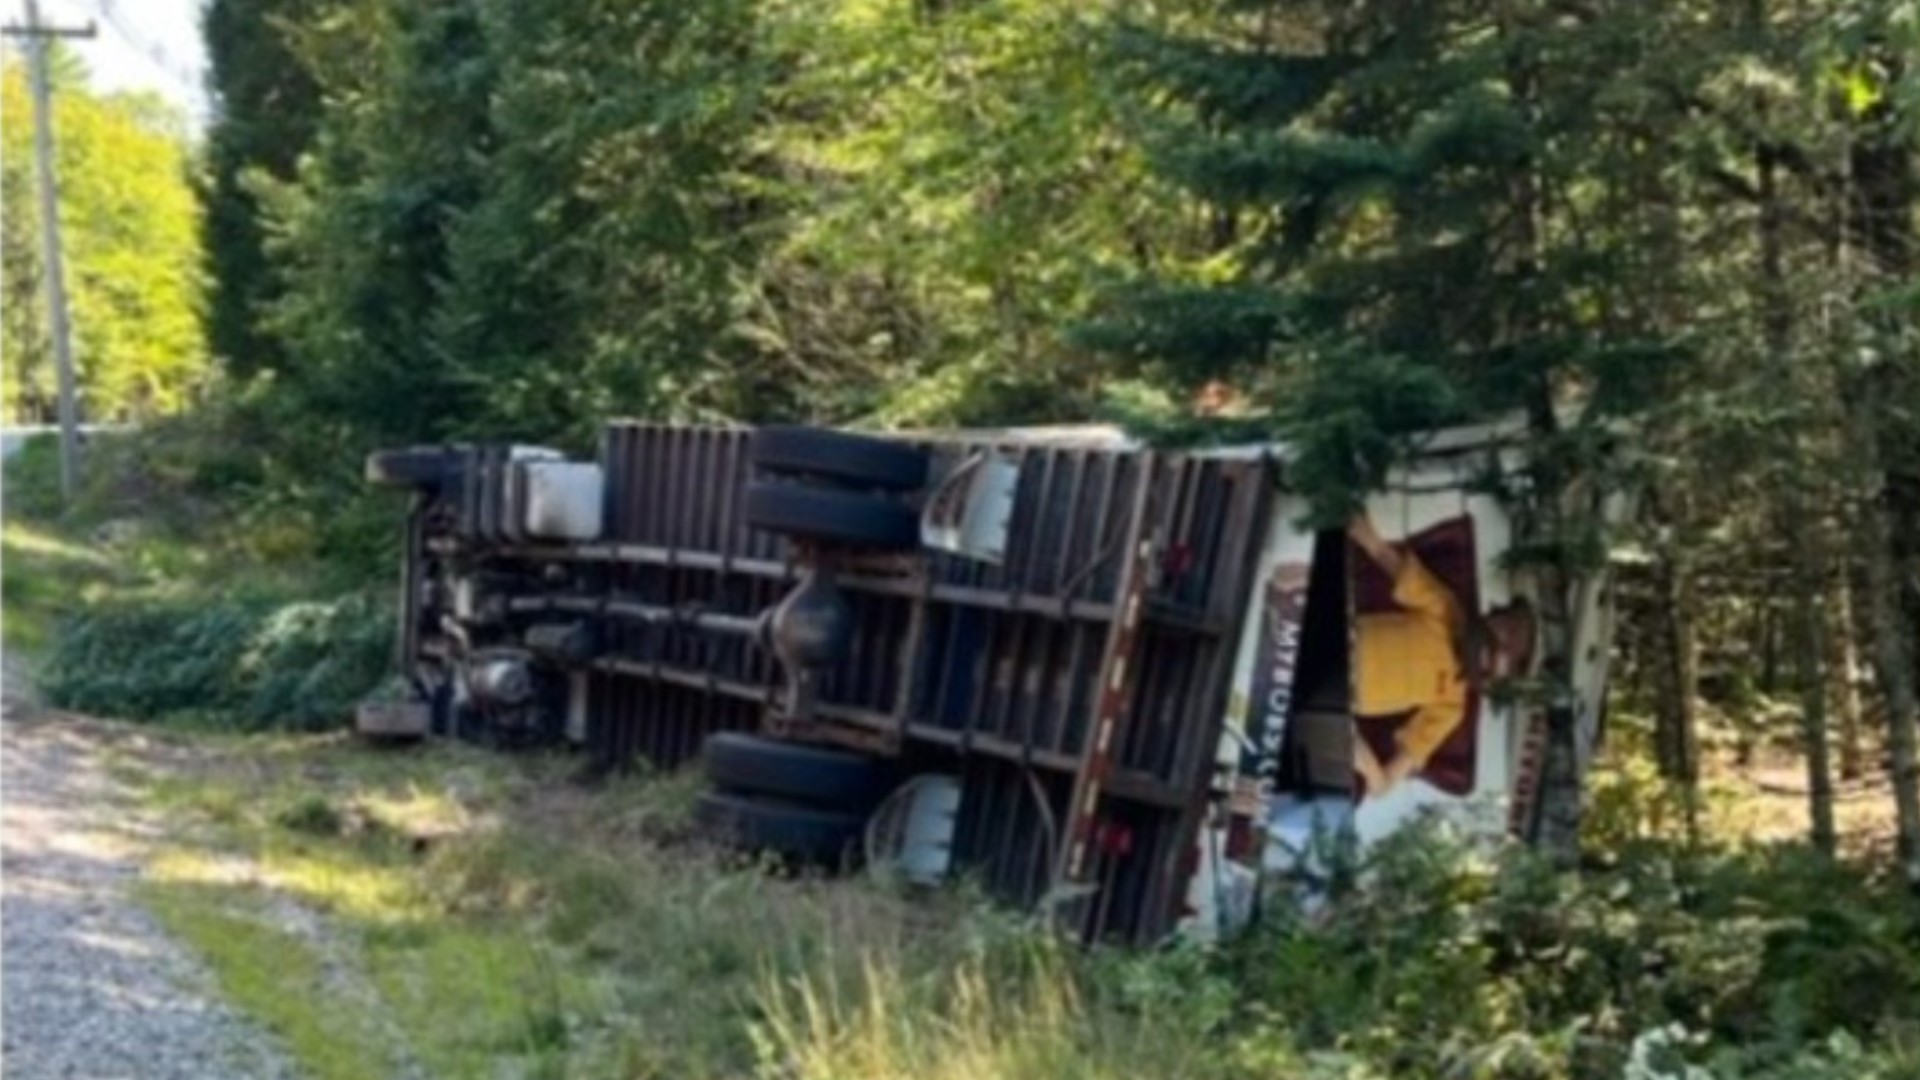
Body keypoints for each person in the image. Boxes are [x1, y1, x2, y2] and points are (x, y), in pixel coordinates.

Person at [1346, 512, 1535, 799]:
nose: (1498, 640)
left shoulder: (1451, 705)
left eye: (1505, 647)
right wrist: (1367, 536)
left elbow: (1386, 780)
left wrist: (1360, 755)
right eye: (1504, 627)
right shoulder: (1448, 611)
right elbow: (1388, 559)